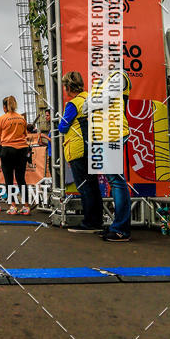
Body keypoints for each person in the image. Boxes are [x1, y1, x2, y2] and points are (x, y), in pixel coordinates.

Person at [82, 70, 133, 242]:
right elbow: (86, 106)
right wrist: (93, 103)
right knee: (114, 180)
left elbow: (102, 101)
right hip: (103, 136)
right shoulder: (100, 82)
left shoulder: (119, 76)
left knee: (117, 181)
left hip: (114, 134)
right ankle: (117, 226)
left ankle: (121, 229)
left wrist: (92, 103)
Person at [58, 71, 103, 232]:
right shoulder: (92, 99)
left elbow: (62, 127)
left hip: (77, 149)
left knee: (84, 187)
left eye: (65, 87)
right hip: (94, 147)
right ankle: (97, 221)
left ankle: (89, 222)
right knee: (93, 185)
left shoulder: (73, 104)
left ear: (69, 87)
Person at [0, 96, 30, 215]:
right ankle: (26, 206)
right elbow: (25, 134)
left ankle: (13, 206)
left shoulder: (1, 119)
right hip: (22, 150)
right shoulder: (21, 119)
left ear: (4, 107)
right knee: (21, 179)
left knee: (9, 179)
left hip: (7, 149)